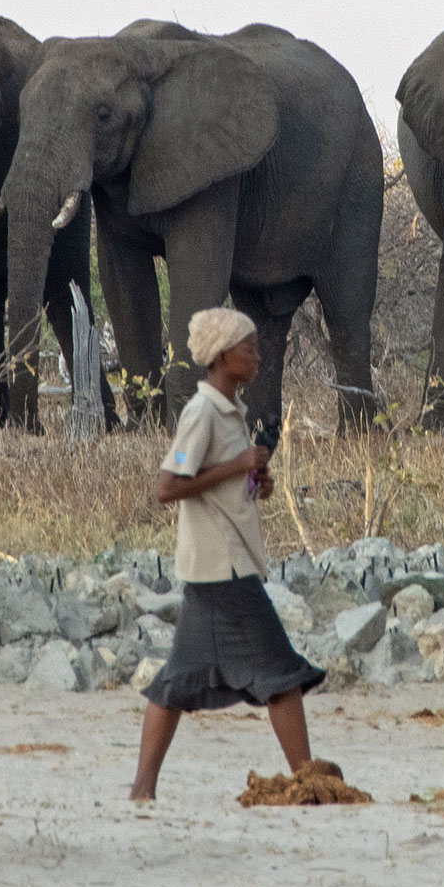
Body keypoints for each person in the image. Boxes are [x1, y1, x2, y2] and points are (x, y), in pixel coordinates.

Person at [129, 307, 325, 801]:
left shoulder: (231, 412)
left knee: (176, 683)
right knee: (280, 674)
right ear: (220, 356)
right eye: (249, 348)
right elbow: (167, 487)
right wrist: (238, 463)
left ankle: (142, 792)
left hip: (219, 566)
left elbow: (218, 482)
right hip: (223, 569)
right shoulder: (201, 414)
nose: (258, 357)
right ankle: (309, 781)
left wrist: (252, 479)